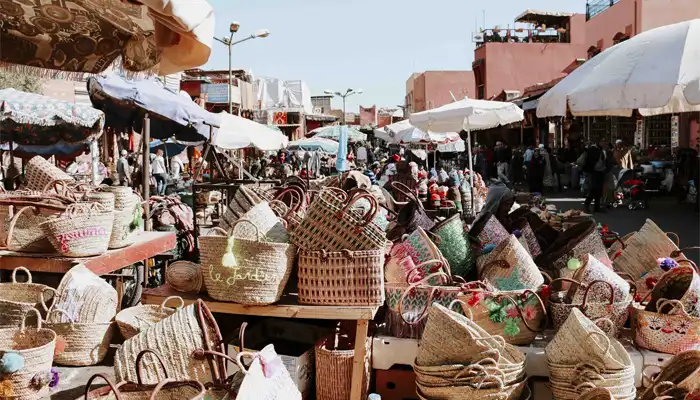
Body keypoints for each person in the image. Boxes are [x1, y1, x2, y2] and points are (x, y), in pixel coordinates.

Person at [582, 136, 613, 213]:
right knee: (594, 188)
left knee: (599, 190)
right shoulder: (593, 150)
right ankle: (587, 204)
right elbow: (590, 161)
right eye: (603, 142)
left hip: (601, 171)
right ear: (599, 142)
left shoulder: (602, 150)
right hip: (594, 172)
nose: (604, 143)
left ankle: (597, 207)